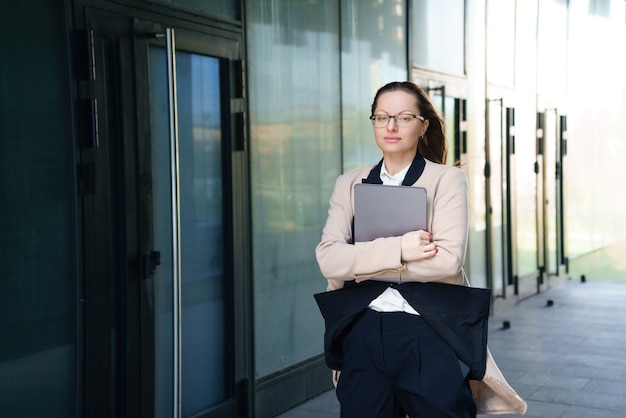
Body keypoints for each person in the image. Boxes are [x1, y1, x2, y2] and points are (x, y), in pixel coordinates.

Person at [315, 81, 527, 417]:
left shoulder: (446, 180)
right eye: (382, 116)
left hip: (427, 333)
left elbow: (446, 262)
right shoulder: (349, 184)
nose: (391, 126)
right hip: (363, 333)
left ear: (424, 125)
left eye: (404, 117)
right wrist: (402, 248)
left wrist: (359, 263)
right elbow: (328, 259)